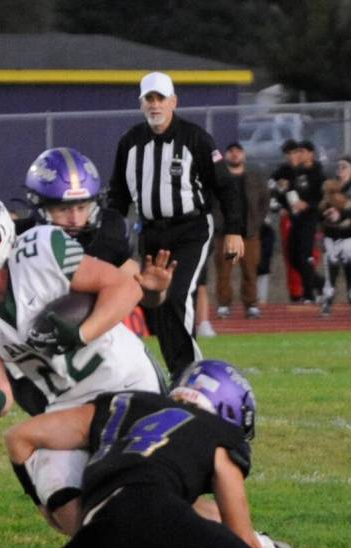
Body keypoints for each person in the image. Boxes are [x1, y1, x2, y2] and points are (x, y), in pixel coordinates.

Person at [3, 359, 351, 548]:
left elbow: (18, 437)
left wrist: (42, 503)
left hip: (98, 547)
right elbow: (240, 538)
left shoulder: (121, 404)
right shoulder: (220, 434)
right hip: (152, 513)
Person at [0, 189, 168, 533]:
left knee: (149, 488)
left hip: (124, 380)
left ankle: (253, 547)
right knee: (61, 502)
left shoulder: (40, 251)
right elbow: (2, 398)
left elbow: (125, 288)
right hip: (66, 403)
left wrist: (81, 334)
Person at [108, 72, 243, 379]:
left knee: (178, 294)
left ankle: (193, 375)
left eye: (160, 99)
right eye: (149, 99)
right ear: (141, 104)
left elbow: (225, 186)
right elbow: (117, 195)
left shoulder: (196, 139)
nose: (155, 105)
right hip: (152, 232)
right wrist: (109, 237)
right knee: (157, 305)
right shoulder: (130, 142)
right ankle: (178, 372)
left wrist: (234, 230)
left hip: (191, 229)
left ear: (173, 102)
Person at [23, 146, 172, 307]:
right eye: (63, 209)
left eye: (81, 208)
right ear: (39, 207)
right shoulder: (20, 239)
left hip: (97, 327)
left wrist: (154, 292)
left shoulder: (108, 233)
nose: (75, 220)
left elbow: (143, 297)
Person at [214, 142, 268, 319]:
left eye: (238, 152)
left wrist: (256, 223)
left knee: (250, 271)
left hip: (249, 235)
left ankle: (251, 304)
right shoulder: (219, 177)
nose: (235, 155)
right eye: (231, 152)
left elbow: (264, 202)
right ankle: (223, 304)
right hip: (227, 235)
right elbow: (212, 203)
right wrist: (220, 224)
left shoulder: (254, 177)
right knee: (224, 271)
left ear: (243, 155)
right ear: (226, 155)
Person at [272, 140, 325, 303]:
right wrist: (280, 191)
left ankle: (308, 294)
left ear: (310, 153)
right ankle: (319, 282)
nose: (298, 155)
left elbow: (322, 198)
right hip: (296, 218)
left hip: (310, 219)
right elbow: (278, 187)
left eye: (301, 151)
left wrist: (307, 204)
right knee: (293, 256)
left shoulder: (318, 173)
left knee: (305, 255)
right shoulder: (294, 171)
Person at [319, 177, 351, 316]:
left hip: (348, 241)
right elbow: (319, 219)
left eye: (335, 193)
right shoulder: (324, 206)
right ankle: (327, 298)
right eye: (330, 193)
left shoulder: (349, 205)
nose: (332, 197)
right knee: (329, 269)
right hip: (331, 241)